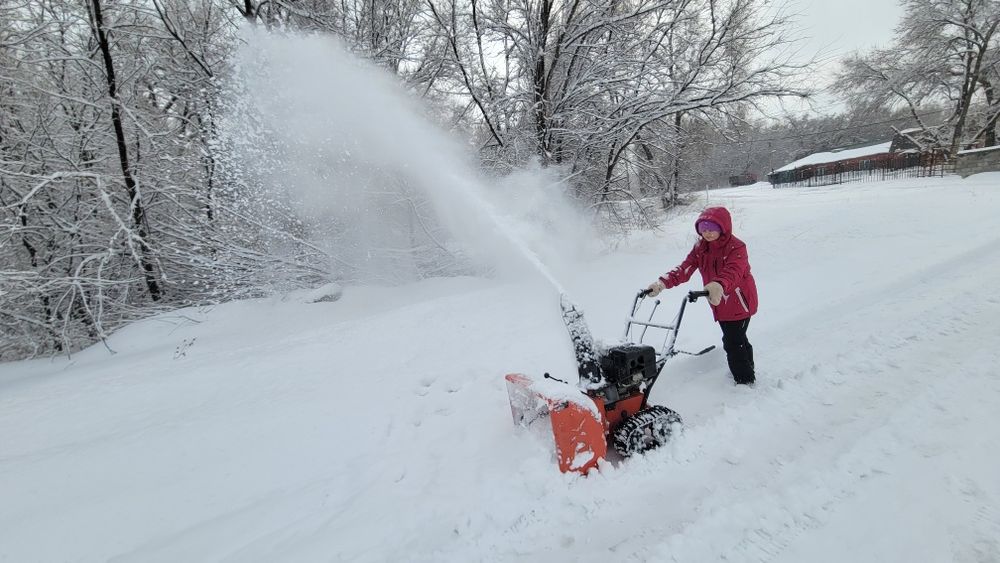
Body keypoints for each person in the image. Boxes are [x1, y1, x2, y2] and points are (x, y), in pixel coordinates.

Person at [646, 206, 758, 385]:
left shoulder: (736, 247)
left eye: (712, 228)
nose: (707, 232)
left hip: (738, 301)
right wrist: (662, 283)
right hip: (718, 302)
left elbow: (734, 271)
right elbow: (685, 268)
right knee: (738, 338)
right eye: (703, 228)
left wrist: (719, 284)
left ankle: (744, 381)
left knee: (732, 341)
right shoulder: (701, 248)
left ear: (723, 227)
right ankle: (748, 367)